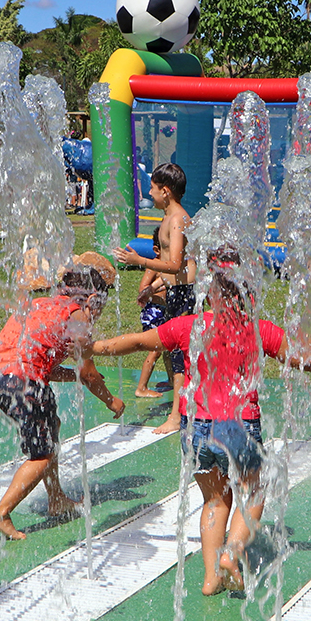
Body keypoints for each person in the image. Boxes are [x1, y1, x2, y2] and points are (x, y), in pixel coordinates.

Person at [93, 246, 311, 594]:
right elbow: (310, 359)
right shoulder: (258, 330)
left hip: (197, 429)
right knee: (254, 490)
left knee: (214, 501)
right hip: (239, 427)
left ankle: (211, 579)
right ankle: (232, 552)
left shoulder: (189, 326)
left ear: (210, 291)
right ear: (245, 292)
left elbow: (137, 342)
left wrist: (92, 347)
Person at [0, 253, 124, 540]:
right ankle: (1, 512)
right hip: (24, 381)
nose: (98, 314)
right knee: (43, 454)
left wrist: (74, 375)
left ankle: (56, 498)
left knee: (52, 426)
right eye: (100, 305)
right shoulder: (77, 317)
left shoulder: (41, 304)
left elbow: (44, 365)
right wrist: (111, 400)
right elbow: (88, 373)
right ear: (92, 299)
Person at [113, 162, 196, 435]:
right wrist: (154, 287)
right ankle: (183, 410)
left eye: (152, 188)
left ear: (166, 191)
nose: (149, 193)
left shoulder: (178, 220)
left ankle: (177, 417)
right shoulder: (167, 219)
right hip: (174, 292)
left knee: (180, 357)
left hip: (185, 295)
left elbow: (176, 264)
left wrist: (140, 261)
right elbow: (175, 270)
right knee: (176, 355)